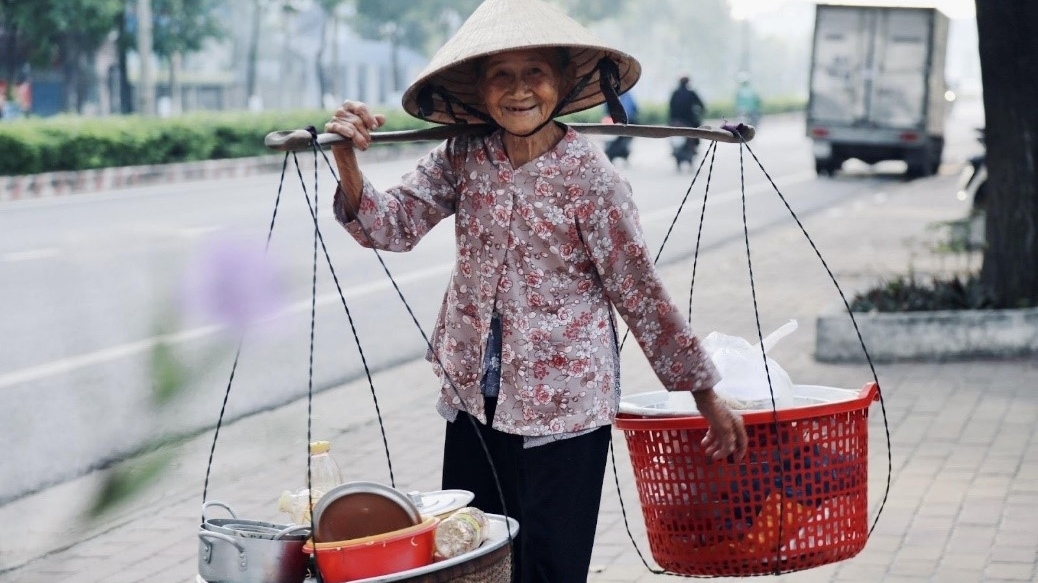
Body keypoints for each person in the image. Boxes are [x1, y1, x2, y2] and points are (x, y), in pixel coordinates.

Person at [323, 0, 748, 581]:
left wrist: (704, 396)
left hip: (565, 410)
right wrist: (347, 160)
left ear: (563, 82)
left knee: (549, 567)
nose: (519, 91)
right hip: (475, 396)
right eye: (501, 74)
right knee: (473, 556)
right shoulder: (463, 155)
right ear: (479, 88)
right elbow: (389, 226)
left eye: (535, 73)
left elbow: (641, 294)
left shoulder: (592, 179)